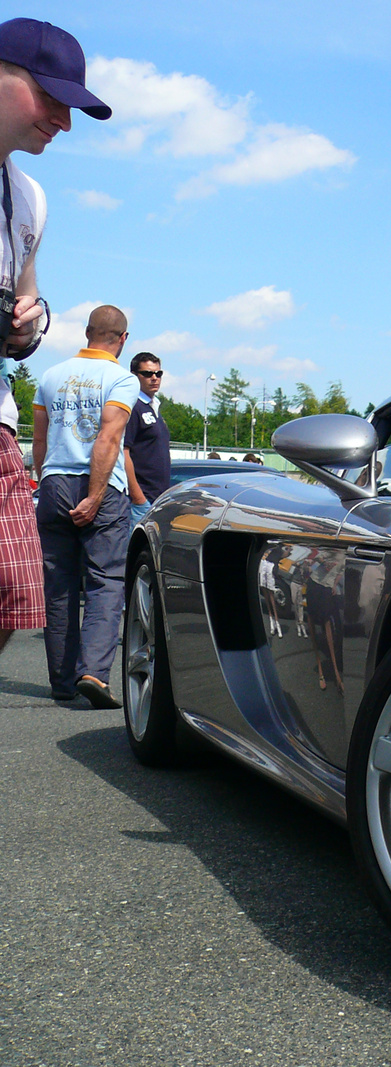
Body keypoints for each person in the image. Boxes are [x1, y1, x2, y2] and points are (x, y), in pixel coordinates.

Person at [0, 19, 112, 658]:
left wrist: (26, 322)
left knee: (16, 591)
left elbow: (30, 304)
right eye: (51, 97)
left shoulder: (28, 198)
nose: (64, 121)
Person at [32, 304, 137, 706]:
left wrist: (45, 483)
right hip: (101, 489)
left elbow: (39, 442)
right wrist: (94, 495)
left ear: (87, 332)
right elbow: (109, 440)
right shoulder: (121, 379)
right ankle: (93, 672)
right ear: (122, 340)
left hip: (54, 482)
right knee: (105, 581)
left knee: (59, 587)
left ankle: (61, 682)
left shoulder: (51, 376)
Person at [122, 351, 169, 524]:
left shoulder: (154, 407)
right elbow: (123, 451)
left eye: (158, 373)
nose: (154, 378)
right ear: (135, 376)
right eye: (148, 374)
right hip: (140, 502)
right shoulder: (133, 407)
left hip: (157, 499)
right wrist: (138, 497)